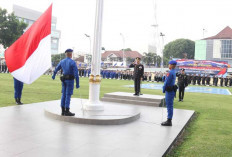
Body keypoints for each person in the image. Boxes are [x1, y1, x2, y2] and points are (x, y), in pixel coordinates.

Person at [52, 49, 80, 116]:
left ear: (66, 54)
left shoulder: (62, 61)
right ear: (70, 54)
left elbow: (56, 69)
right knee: (68, 95)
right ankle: (67, 111)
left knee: (63, 95)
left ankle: (62, 111)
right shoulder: (72, 62)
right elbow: (76, 74)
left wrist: (54, 75)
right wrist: (77, 83)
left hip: (64, 80)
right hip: (70, 80)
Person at [161, 60, 178, 126]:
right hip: (172, 90)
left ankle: (169, 120)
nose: (168, 65)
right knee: (170, 105)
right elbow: (166, 79)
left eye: (169, 64)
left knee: (169, 106)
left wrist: (163, 89)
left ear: (171, 65)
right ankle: (169, 119)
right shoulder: (173, 72)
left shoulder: (170, 72)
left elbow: (166, 83)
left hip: (169, 90)